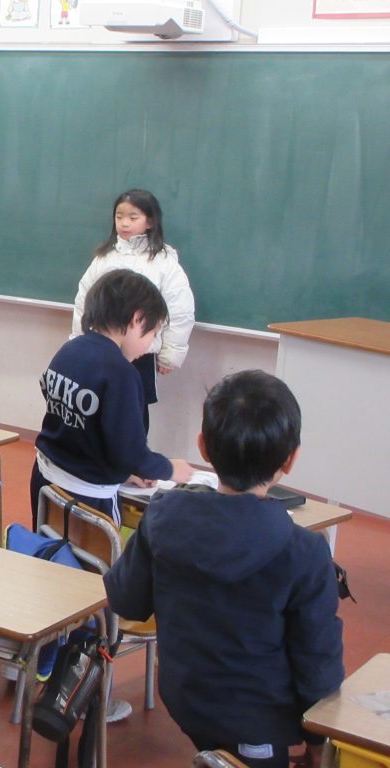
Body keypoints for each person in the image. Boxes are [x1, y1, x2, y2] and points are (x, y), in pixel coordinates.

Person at [105, 370, 344, 768]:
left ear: (203, 446)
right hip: (259, 722)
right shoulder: (305, 552)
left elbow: (127, 600)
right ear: (290, 459)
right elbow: (318, 664)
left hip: (184, 697)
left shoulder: (162, 516)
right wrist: (319, 743)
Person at [32, 269, 194, 530]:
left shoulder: (69, 350)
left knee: (48, 548)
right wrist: (170, 469)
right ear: (137, 319)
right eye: (153, 334)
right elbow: (132, 454)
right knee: (95, 557)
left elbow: (78, 429)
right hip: (88, 501)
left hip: (45, 484)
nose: (150, 344)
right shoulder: (122, 374)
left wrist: (124, 472)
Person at [72, 189, 195, 430]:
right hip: (101, 349)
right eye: (119, 216)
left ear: (150, 221)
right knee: (96, 406)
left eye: (133, 217)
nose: (124, 223)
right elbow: (83, 302)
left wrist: (171, 353)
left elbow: (180, 311)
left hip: (141, 354)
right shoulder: (104, 258)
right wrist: (78, 341)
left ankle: (133, 451)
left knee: (134, 411)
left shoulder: (164, 263)